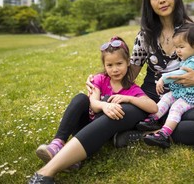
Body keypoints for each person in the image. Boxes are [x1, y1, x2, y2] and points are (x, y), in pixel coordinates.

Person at [86, 0, 194, 147]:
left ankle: (146, 133)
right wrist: (99, 80)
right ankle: (155, 127)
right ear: (149, 3)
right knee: (111, 112)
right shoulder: (145, 35)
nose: (161, 0)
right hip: (149, 100)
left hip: (184, 99)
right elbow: (128, 75)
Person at [29, 36, 157, 184]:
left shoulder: (131, 89)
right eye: (109, 65)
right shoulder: (100, 80)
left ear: (128, 62)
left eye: (119, 64)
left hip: (99, 131)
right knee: (80, 98)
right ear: (104, 65)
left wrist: (129, 99)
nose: (114, 69)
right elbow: (94, 104)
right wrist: (105, 105)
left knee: (100, 118)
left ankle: (73, 159)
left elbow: (153, 107)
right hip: (86, 123)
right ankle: (58, 143)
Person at [139, 23, 194, 149]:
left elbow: (180, 73)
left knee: (176, 107)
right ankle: (154, 119)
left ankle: (164, 134)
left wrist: (164, 78)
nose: (177, 51)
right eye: (176, 47)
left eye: (181, 47)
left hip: (193, 95)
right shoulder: (189, 58)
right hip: (183, 91)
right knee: (166, 97)